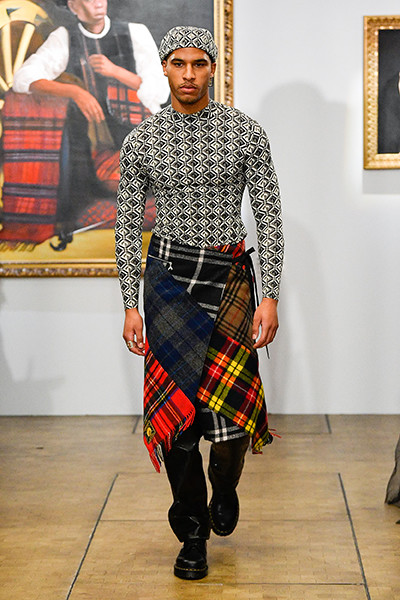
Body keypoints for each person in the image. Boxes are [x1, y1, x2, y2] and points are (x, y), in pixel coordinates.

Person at [115, 26, 284, 580]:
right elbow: (126, 226)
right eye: (179, 63)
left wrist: (271, 294)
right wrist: (131, 302)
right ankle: (192, 532)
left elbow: (269, 215)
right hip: (168, 282)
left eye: (199, 63)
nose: (188, 74)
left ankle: (225, 486)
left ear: (213, 67)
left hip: (231, 278)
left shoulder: (244, 130)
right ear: (164, 67)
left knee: (231, 417)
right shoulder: (143, 139)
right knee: (178, 421)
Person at [12, 0, 169, 247]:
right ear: (73, 6)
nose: (98, 2)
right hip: (96, 143)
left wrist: (115, 71)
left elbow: (160, 91)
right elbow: (23, 78)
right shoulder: (65, 37)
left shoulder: (134, 33)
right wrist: (75, 92)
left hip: (143, 137)